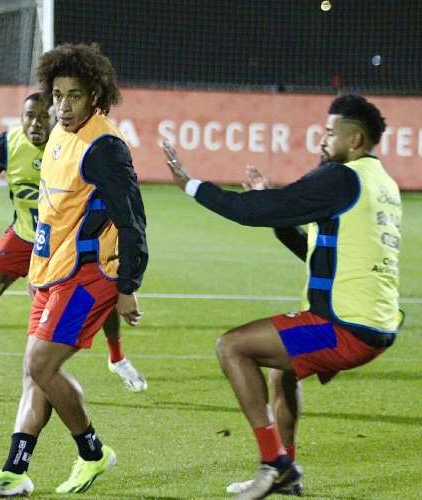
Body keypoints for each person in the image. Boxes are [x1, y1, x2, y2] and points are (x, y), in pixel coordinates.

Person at [162, 94, 403, 500]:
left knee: (232, 347)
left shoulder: (342, 178)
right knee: (281, 368)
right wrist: (272, 202)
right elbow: (315, 248)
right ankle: (287, 470)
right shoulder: (381, 184)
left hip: (342, 329)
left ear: (356, 139)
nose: (322, 140)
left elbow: (251, 212)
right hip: (371, 324)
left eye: (330, 133)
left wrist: (190, 185)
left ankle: (274, 463)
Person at [0, 43, 149, 497]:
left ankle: (92, 454)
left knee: (40, 365)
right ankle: (15, 471)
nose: (63, 107)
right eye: (57, 95)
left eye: (75, 97)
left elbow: (133, 220)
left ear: (96, 98)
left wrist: (128, 286)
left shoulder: (104, 146)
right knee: (34, 373)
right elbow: (55, 213)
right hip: (52, 273)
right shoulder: (58, 136)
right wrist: (37, 271)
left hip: (89, 275)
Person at [0, 93, 147, 396]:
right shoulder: (8, 144)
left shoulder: (72, 146)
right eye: (30, 115)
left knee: (98, 288)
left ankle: (117, 358)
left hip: (67, 242)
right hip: (26, 234)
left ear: (56, 119)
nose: (36, 123)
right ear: (20, 117)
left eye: (44, 116)